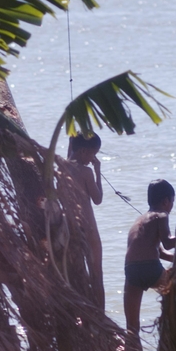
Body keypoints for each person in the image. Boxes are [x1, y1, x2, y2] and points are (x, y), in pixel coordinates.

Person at [123, 179, 176, 351]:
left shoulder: (139, 221)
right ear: (166, 201)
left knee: (131, 327)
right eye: (172, 203)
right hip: (150, 268)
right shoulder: (161, 215)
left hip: (131, 271)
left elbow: (161, 253)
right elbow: (168, 243)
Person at [67, 132, 105, 308]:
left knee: (77, 273)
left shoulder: (62, 167)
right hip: (89, 228)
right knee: (96, 274)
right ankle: (101, 317)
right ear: (83, 151)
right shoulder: (86, 172)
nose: (92, 159)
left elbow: (71, 152)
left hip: (70, 227)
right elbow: (97, 200)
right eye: (92, 154)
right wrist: (98, 172)